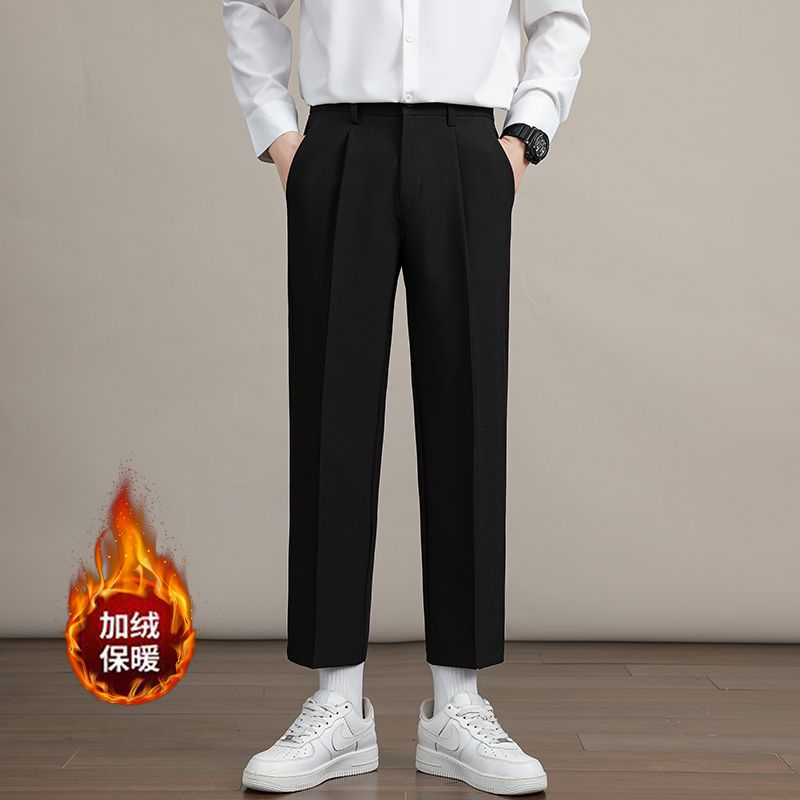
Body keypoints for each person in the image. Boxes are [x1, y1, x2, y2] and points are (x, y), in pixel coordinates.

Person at [222, 0, 590, 794]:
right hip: (340, 143)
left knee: (467, 418)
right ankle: (337, 706)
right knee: (332, 418)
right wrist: (281, 137)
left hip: (467, 146)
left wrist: (523, 139)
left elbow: (561, 16)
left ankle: (459, 708)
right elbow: (249, 6)